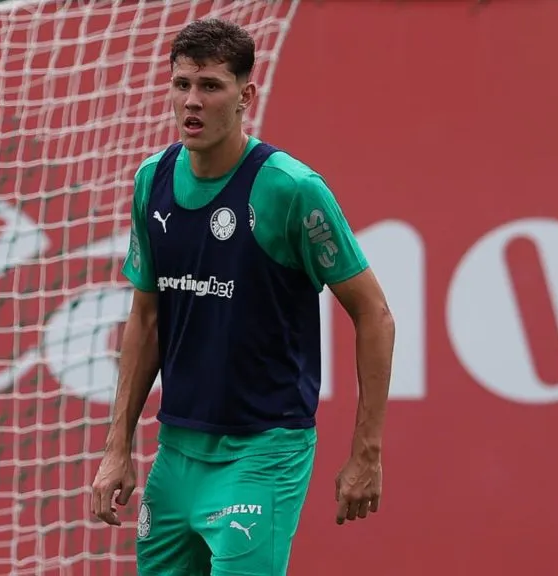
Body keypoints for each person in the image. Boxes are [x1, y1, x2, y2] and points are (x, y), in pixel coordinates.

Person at [90, 17, 396, 576]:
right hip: (177, 453)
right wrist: (118, 447)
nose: (192, 101)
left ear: (245, 94)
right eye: (182, 84)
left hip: (264, 454)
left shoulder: (290, 189)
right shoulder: (151, 181)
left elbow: (374, 314)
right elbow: (146, 319)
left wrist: (366, 451)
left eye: (211, 86)